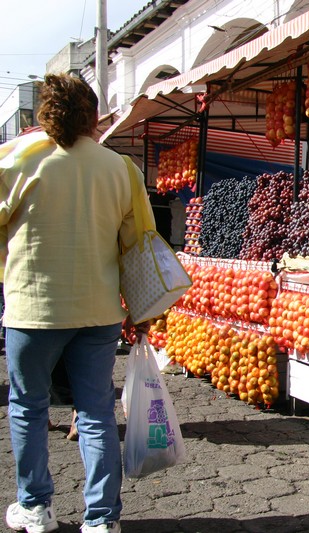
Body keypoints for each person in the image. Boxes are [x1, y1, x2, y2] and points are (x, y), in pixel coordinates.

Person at [0, 73, 154, 533]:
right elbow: (140, 243)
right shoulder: (120, 168)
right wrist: (145, 309)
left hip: (32, 309)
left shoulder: (15, 161)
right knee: (95, 411)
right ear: (93, 117)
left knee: (28, 406)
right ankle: (102, 518)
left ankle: (35, 508)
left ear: (42, 115)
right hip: (99, 311)